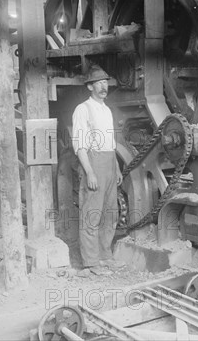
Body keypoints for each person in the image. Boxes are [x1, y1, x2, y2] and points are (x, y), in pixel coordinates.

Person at [72, 65, 125, 273]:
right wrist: (89, 171)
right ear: (90, 87)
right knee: (91, 214)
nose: (104, 86)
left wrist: (117, 168)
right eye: (99, 83)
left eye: (105, 82)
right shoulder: (82, 109)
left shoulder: (106, 109)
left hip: (110, 163)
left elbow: (110, 143)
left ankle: (105, 255)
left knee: (110, 213)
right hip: (93, 163)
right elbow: (80, 145)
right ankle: (91, 262)